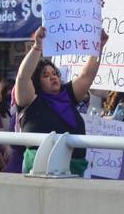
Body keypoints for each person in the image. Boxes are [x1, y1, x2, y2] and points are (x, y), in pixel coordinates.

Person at [14, 26, 108, 175]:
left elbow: (86, 76)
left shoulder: (67, 95)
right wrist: (37, 47)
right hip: (38, 174)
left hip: (73, 173)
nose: (53, 77)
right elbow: (22, 76)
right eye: (45, 75)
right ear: (36, 83)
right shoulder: (30, 101)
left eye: (54, 73)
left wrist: (98, 47)